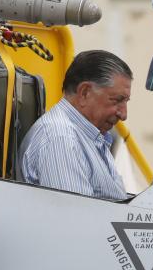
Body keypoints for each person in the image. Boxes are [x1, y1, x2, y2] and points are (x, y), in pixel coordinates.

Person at [18, 50, 132, 201]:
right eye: (117, 100)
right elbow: (72, 213)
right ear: (84, 93)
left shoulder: (90, 137)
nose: (123, 115)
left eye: (125, 102)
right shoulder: (61, 138)